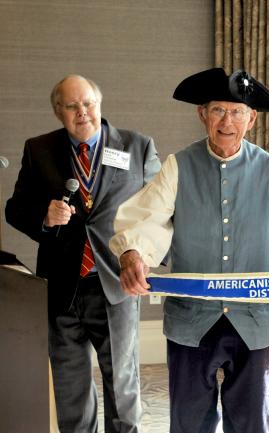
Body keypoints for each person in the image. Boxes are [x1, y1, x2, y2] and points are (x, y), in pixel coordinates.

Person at [109, 67, 269, 433]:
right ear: (202, 114)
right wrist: (132, 254)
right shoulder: (178, 166)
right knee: (189, 423)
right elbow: (146, 219)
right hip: (191, 320)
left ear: (251, 119)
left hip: (257, 319)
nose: (227, 121)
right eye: (218, 110)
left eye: (237, 112)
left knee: (252, 423)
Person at [5, 74, 161, 433]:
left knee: (122, 387)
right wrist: (44, 216)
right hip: (63, 287)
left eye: (88, 103)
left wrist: (145, 255)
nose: (82, 112)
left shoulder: (137, 147)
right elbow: (15, 209)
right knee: (70, 388)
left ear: (99, 103)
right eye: (72, 106)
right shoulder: (39, 149)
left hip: (116, 283)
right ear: (58, 111)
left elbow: (158, 211)